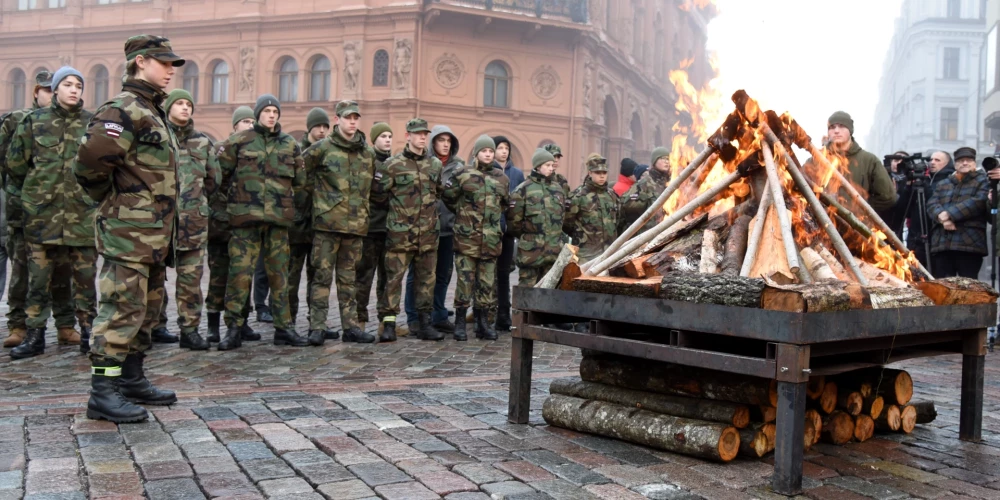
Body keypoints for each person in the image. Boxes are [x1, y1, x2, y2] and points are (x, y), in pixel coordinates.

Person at [75, 35, 186, 422]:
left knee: (147, 310)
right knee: (121, 311)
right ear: (140, 62)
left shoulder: (152, 110)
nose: (171, 69)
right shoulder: (121, 110)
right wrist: (118, 203)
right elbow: (90, 164)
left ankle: (132, 378)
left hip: (154, 234)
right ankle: (103, 391)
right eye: (164, 62)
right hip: (128, 233)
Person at [6, 66, 97, 359]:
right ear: (54, 89)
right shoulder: (33, 122)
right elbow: (16, 166)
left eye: (78, 86)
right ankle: (34, 337)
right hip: (42, 218)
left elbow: (102, 170)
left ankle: (87, 334)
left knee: (85, 282)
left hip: (81, 219)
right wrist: (31, 201)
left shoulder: (91, 124)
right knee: (38, 282)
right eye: (67, 84)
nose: (74, 90)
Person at [216, 94, 308, 349]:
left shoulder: (290, 144)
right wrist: (232, 206)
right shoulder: (239, 141)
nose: (271, 115)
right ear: (258, 114)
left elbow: (301, 182)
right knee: (239, 275)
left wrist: (290, 208)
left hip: (278, 223)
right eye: (266, 110)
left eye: (275, 111)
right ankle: (234, 328)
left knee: (280, 276)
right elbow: (218, 177)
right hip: (245, 222)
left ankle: (284, 328)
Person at [0, 71, 75, 350]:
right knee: (22, 272)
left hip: (62, 215)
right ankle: (18, 325)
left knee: (61, 272)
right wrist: (15, 202)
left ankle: (66, 325)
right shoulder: (18, 120)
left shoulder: (69, 122)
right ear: (36, 92)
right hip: (24, 213)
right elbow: (8, 165)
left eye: (52, 88)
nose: (49, 93)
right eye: (45, 89)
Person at [302, 100, 376, 345]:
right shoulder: (321, 149)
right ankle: (317, 327)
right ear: (337, 120)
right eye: (347, 117)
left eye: (356, 117)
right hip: (327, 226)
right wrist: (319, 203)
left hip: (355, 226)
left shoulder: (368, 152)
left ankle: (351, 327)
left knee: (349, 279)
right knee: (321, 278)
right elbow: (301, 176)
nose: (352, 122)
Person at [152, 89, 219, 350]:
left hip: (192, 223)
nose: (184, 108)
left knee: (190, 280)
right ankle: (153, 326)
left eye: (188, 104)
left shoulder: (202, 142)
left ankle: (189, 330)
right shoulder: (157, 139)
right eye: (178, 103)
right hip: (159, 223)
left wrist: (195, 203)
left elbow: (214, 180)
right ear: (168, 108)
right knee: (154, 279)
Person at [371, 118, 444, 342]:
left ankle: (424, 324)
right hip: (400, 235)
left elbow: (438, 193)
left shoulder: (435, 165)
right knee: (393, 280)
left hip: (428, 235)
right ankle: (389, 324)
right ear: (408, 136)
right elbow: (378, 195)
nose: (422, 137)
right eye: (418, 133)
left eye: (425, 134)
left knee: (426, 281)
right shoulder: (392, 165)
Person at [442, 135, 509, 341]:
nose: (488, 154)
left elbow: (504, 204)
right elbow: (449, 197)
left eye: (491, 151)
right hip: (466, 240)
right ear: (476, 153)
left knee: (486, 284)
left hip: (490, 242)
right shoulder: (462, 174)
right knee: (464, 282)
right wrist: (465, 216)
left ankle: (483, 323)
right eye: (484, 151)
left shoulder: (501, 178)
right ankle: (460, 323)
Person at [205, 106, 257, 345]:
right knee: (218, 276)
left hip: (244, 226)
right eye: (245, 121)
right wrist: (223, 214)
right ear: (235, 125)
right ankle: (213, 325)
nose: (249, 125)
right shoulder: (221, 150)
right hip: (222, 225)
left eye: (252, 121)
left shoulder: (255, 152)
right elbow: (214, 186)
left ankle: (242, 322)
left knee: (243, 276)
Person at [404, 125, 462, 335]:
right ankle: (413, 317)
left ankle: (438, 314)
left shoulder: (458, 167)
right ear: (433, 142)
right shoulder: (425, 163)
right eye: (441, 140)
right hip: (424, 229)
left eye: (448, 140)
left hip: (447, 228)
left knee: (443, 274)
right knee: (417, 275)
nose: (445, 144)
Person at [287, 107, 330, 337]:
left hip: (319, 227)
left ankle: (317, 323)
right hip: (296, 226)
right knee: (291, 278)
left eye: (325, 127)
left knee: (318, 278)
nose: (322, 131)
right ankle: (288, 322)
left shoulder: (329, 153)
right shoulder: (297, 152)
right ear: (309, 128)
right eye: (317, 127)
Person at [925, 147, 989, 278]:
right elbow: (932, 203)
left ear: (974, 163)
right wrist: (943, 219)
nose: (964, 163)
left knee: (969, 289)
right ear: (955, 164)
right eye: (961, 160)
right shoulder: (943, 183)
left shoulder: (983, 181)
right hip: (942, 243)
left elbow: (978, 202)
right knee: (943, 289)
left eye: (968, 160)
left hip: (970, 242)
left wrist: (948, 215)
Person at [507, 148, 565, 286]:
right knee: (526, 294)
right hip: (531, 254)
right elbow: (514, 223)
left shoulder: (557, 189)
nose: (551, 168)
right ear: (538, 166)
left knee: (549, 294)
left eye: (552, 165)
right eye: (547, 165)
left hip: (553, 252)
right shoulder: (523, 190)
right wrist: (530, 238)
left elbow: (562, 218)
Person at [355, 122, 392, 335]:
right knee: (364, 277)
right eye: (383, 136)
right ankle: (359, 320)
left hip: (389, 230)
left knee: (387, 279)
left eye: (390, 136)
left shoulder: (395, 164)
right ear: (374, 139)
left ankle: (385, 322)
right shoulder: (367, 162)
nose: (387, 139)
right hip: (370, 230)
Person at [822, 111, 897, 213]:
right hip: (823, 225)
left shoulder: (869, 161)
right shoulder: (818, 160)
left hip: (857, 226)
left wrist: (862, 208)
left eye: (841, 126)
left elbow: (888, 197)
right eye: (832, 127)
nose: (836, 131)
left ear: (850, 130)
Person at [492, 135, 524, 332]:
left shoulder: (517, 174)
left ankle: (503, 313)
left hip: (507, 232)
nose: (504, 151)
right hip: (488, 232)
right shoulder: (488, 172)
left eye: (506, 148)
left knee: (504, 274)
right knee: (486, 274)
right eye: (500, 147)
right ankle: (484, 311)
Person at [564, 154, 619, 261]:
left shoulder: (611, 195)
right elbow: (567, 224)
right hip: (586, 254)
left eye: (604, 173)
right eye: (598, 173)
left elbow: (618, 220)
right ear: (590, 173)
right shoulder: (578, 196)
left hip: (609, 253)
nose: (602, 176)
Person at [620, 147, 670, 234]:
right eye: (662, 158)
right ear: (654, 161)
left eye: (668, 159)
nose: (666, 161)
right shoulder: (645, 183)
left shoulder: (671, 181)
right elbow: (626, 205)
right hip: (649, 235)